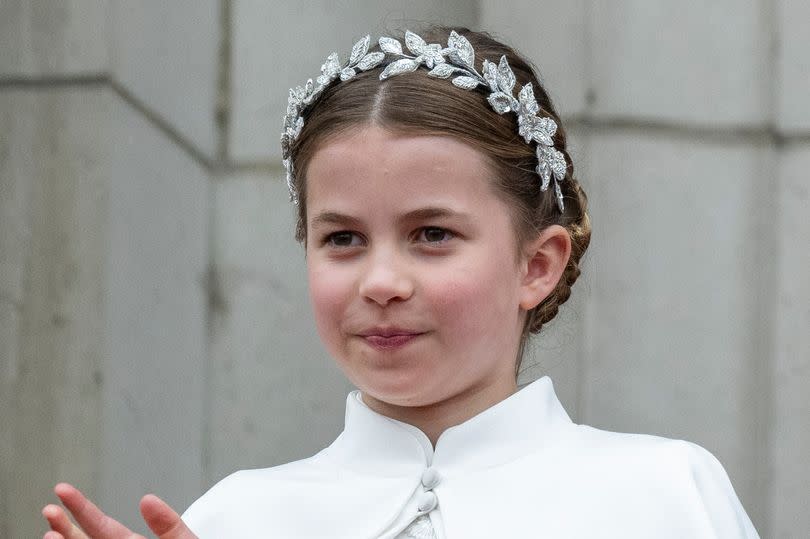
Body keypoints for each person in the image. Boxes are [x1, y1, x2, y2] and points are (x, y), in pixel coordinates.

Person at [41, 26, 760, 538]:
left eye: (432, 235)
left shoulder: (664, 497)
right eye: (343, 238)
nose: (382, 280)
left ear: (536, 264)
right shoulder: (236, 517)